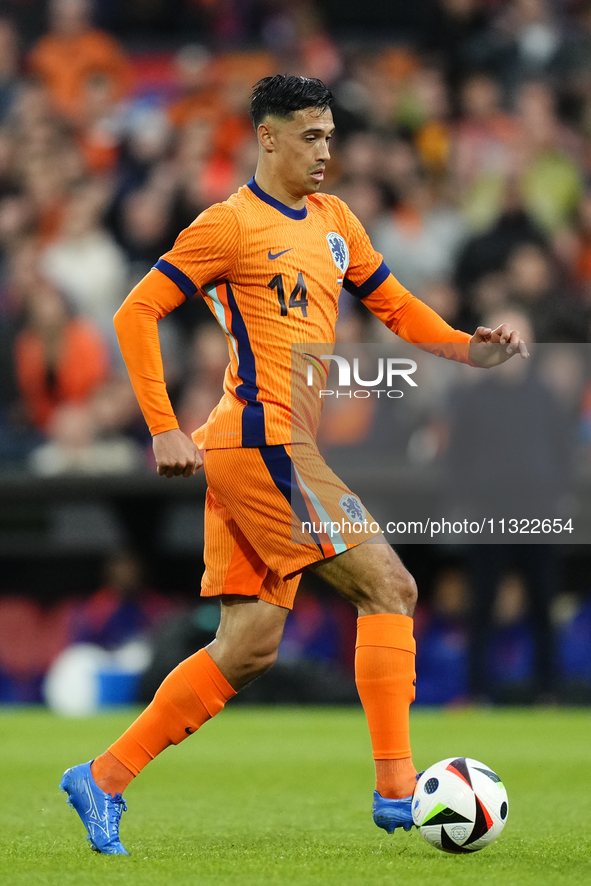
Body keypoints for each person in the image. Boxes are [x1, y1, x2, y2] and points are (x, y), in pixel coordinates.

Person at [59, 74, 527, 855]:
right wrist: (161, 427)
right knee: (391, 585)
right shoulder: (228, 225)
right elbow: (134, 311)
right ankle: (395, 789)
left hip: (264, 444)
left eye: (330, 135)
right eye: (309, 136)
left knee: (246, 648)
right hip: (261, 440)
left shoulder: (335, 220)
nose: (324, 151)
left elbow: (394, 304)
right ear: (266, 136)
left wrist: (462, 348)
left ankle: (102, 778)